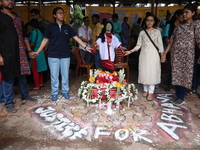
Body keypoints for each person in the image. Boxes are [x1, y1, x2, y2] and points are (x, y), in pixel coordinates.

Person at [34, 7, 92, 101]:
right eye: (59, 13)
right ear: (54, 15)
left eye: (63, 13)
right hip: (53, 55)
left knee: (65, 74)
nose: (62, 14)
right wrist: (38, 51)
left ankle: (65, 91)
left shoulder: (67, 27)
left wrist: (85, 47)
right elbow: (45, 39)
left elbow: (76, 37)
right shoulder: (50, 27)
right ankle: (54, 92)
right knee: (54, 75)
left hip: (65, 55)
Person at [0, 0, 37, 112]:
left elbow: (25, 36)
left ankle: (25, 95)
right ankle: (9, 103)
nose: (10, 1)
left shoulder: (18, 18)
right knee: (8, 78)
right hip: (7, 52)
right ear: (1, 2)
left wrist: (29, 50)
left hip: (21, 52)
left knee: (22, 75)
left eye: (12, 0)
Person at [161, 4, 200, 106]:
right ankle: (177, 96)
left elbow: (199, 41)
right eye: (183, 12)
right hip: (176, 56)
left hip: (188, 56)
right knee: (176, 75)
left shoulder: (196, 24)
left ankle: (181, 97)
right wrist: (165, 53)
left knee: (184, 76)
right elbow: (171, 41)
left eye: (187, 12)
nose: (184, 14)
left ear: (193, 13)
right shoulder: (178, 26)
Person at [125, 14, 164, 101]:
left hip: (154, 55)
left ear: (154, 22)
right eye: (148, 20)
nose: (149, 22)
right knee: (144, 71)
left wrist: (162, 55)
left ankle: (151, 92)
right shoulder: (142, 33)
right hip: (144, 55)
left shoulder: (157, 32)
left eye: (151, 20)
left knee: (152, 73)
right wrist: (130, 51)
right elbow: (138, 45)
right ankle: (146, 90)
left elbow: (160, 45)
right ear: (145, 22)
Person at [162, 9, 184, 91]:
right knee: (170, 68)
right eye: (182, 15)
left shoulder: (183, 25)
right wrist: (171, 48)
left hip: (180, 51)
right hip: (170, 50)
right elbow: (166, 37)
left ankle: (177, 84)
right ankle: (170, 84)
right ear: (177, 16)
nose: (183, 16)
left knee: (179, 68)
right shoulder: (169, 25)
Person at [28, 19, 48, 90]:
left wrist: (28, 49)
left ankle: (37, 85)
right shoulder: (40, 32)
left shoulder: (34, 32)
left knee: (35, 70)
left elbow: (32, 43)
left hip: (35, 53)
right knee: (40, 69)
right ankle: (41, 82)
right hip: (41, 52)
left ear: (30, 26)